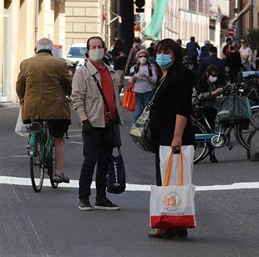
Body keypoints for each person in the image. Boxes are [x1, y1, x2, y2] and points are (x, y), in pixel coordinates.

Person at [148, 38, 195, 239]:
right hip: (164, 136)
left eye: (166, 52)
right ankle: (174, 223)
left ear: (175, 55)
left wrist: (177, 137)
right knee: (171, 181)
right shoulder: (165, 75)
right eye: (159, 51)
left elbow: (182, 109)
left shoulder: (179, 76)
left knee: (172, 181)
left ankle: (171, 224)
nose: (162, 56)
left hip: (173, 138)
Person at [71, 36, 122, 211]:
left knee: (104, 161)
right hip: (92, 123)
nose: (97, 49)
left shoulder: (109, 71)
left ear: (105, 49)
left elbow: (114, 97)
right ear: (88, 50)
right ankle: (83, 198)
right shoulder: (82, 72)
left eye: (99, 46)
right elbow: (76, 99)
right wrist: (84, 120)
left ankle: (101, 197)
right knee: (90, 161)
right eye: (93, 46)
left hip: (109, 123)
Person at [16, 38, 72, 183]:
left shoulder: (26, 63)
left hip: (32, 108)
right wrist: (68, 95)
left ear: (36, 49)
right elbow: (68, 84)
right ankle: (58, 173)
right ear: (51, 49)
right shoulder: (59, 63)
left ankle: (34, 139)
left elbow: (20, 86)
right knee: (59, 138)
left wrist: (23, 101)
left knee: (35, 122)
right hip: (55, 109)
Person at [196, 65, 225, 163]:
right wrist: (213, 93)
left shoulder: (214, 82)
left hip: (211, 108)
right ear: (207, 73)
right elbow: (199, 96)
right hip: (204, 108)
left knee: (211, 130)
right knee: (209, 132)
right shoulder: (202, 81)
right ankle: (211, 154)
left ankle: (212, 153)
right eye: (213, 75)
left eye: (216, 75)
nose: (215, 77)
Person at [130, 49, 158, 123]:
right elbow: (131, 82)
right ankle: (135, 127)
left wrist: (146, 76)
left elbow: (155, 80)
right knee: (137, 113)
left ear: (148, 57)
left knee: (147, 112)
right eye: (140, 56)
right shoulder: (135, 67)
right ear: (138, 58)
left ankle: (146, 127)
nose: (142, 58)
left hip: (148, 92)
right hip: (137, 93)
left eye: (145, 56)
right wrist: (135, 77)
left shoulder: (151, 67)